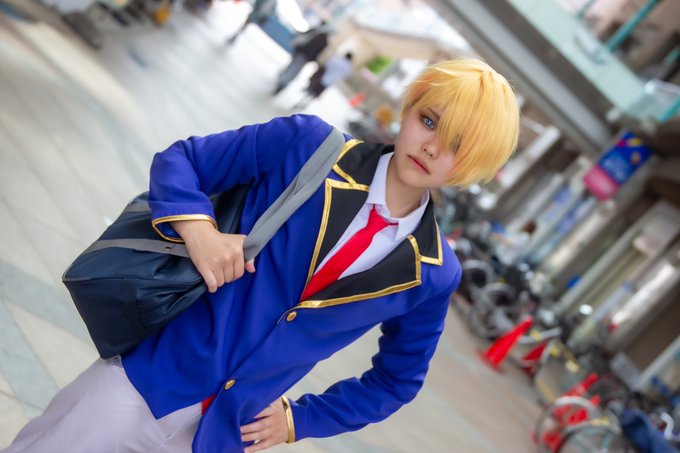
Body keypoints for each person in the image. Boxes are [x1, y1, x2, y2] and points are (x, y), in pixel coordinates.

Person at [4, 58, 520, 453]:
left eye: (456, 146)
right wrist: (200, 232)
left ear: (472, 167)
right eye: (429, 120)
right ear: (409, 110)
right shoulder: (308, 146)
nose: (431, 147)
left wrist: (300, 420)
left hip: (222, 437)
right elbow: (183, 161)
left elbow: (397, 380)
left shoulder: (434, 272)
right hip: (144, 382)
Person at [273, 23, 330, 94]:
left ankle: (283, 80)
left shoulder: (315, 32)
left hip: (301, 52)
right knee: (294, 69)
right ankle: (284, 81)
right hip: (305, 56)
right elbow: (318, 52)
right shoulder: (324, 41)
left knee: (292, 66)